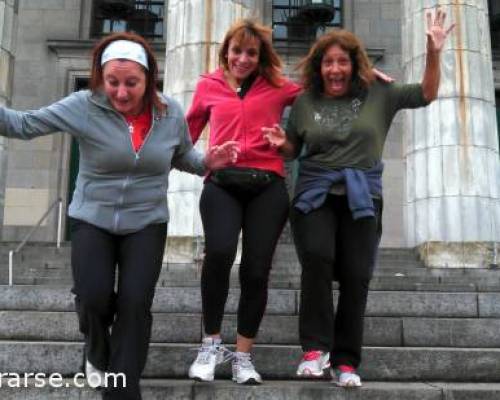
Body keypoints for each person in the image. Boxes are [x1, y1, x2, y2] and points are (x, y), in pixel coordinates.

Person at [0, 32, 237, 400]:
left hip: (146, 222)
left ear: (149, 78)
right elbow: (22, 124)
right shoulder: (82, 105)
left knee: (134, 303)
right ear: (99, 77)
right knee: (93, 297)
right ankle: (96, 350)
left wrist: (208, 161)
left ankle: (122, 390)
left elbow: (183, 157)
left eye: (132, 83)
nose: (122, 92)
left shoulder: (169, 113)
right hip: (93, 218)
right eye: (112, 82)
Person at [263, 8, 454, 388]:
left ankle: (346, 362)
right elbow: (293, 149)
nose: (335, 70)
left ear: (354, 64)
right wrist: (283, 144)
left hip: (362, 196)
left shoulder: (379, 93)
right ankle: (315, 351)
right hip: (314, 194)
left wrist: (433, 52)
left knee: (356, 276)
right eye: (328, 63)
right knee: (316, 258)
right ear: (319, 66)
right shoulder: (304, 102)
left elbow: (427, 93)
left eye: (342, 62)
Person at [185, 19, 302, 384]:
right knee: (218, 254)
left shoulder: (279, 87)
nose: (243, 58)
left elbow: (323, 93)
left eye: (251, 52)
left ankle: (242, 356)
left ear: (261, 55)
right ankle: (210, 344)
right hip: (222, 184)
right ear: (226, 52)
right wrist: (203, 157)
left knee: (255, 269)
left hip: (267, 187)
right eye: (237, 51)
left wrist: (367, 78)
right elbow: (184, 136)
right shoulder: (208, 85)